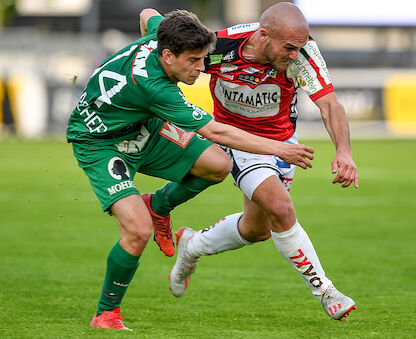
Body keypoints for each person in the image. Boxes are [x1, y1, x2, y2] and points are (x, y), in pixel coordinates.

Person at [66, 9, 314, 331]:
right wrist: (280, 148)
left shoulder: (161, 34)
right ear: (167, 56)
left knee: (217, 164)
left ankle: (157, 206)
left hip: (144, 124)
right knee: (138, 232)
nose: (202, 68)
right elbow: (218, 132)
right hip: (102, 142)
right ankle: (106, 314)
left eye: (203, 58)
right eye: (195, 60)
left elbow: (148, 14)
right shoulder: (157, 88)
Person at [152, 2, 359, 321]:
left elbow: (329, 104)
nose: (294, 55)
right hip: (234, 139)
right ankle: (326, 291)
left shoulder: (302, 53)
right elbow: (165, 49)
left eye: (299, 48)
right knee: (280, 208)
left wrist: (343, 152)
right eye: (288, 47)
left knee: (257, 229)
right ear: (263, 35)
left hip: (281, 142)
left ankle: (192, 245)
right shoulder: (218, 47)